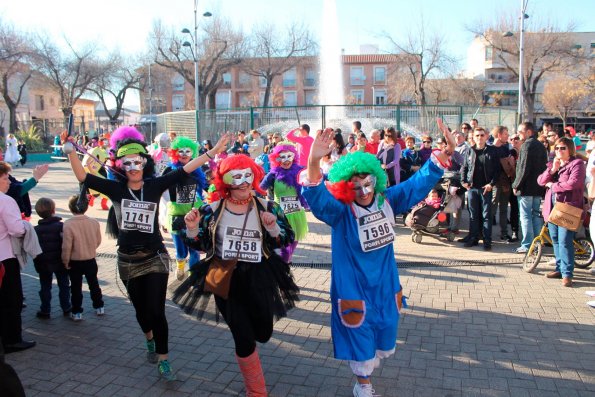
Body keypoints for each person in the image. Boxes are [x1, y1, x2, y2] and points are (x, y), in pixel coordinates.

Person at [62, 126, 231, 381]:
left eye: (137, 161)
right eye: (127, 162)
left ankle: (163, 358)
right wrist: (71, 152)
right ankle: (149, 339)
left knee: (156, 311)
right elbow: (84, 177)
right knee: (141, 312)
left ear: (145, 162)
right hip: (127, 262)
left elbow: (185, 169)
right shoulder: (116, 189)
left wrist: (213, 153)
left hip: (155, 258)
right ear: (121, 165)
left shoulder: (154, 186)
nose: (132, 166)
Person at [300, 122, 455, 397]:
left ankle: (367, 373)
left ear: (376, 179)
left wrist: (444, 154)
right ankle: (363, 384)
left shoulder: (386, 200)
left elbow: (416, 185)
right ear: (346, 187)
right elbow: (316, 196)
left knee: (385, 327)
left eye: (368, 182)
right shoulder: (340, 211)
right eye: (355, 185)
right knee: (358, 330)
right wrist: (313, 160)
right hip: (354, 285)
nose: (363, 190)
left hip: (385, 283)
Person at [173, 154, 299, 396]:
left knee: (263, 332)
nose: (243, 182)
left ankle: (255, 334)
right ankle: (257, 391)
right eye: (236, 176)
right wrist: (191, 228)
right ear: (225, 181)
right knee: (243, 338)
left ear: (254, 175)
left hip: (259, 276)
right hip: (224, 277)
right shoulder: (211, 210)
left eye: (247, 175)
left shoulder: (268, 206)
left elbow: (287, 237)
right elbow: (200, 245)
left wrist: (272, 226)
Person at [537, 137, 585, 287]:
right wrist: (552, 170)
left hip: (567, 207)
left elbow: (574, 183)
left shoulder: (577, 163)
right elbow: (540, 181)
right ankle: (559, 268)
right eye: (557, 148)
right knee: (556, 240)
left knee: (565, 241)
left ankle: (567, 273)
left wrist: (553, 185)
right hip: (551, 208)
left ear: (570, 149)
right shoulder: (554, 164)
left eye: (562, 148)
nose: (559, 151)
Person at [0, 161, 35, 353]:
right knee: (11, 300)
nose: (8, 183)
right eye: (5, 179)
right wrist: (26, 227)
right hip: (5, 258)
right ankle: (12, 339)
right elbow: (15, 229)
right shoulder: (6, 201)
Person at [162, 137, 208, 281]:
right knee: (181, 251)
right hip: (176, 215)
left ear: (192, 153)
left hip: (194, 215)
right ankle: (180, 265)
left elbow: (204, 189)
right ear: (175, 152)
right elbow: (161, 191)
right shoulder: (169, 170)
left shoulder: (197, 170)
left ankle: (193, 275)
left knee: (194, 251)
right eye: (180, 151)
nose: (184, 154)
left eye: (187, 151)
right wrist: (163, 219)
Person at [260, 141, 308, 263]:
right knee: (284, 251)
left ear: (294, 156)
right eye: (282, 157)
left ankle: (285, 272)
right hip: (280, 216)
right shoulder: (273, 174)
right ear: (277, 158)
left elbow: (315, 178)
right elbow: (260, 189)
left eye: (289, 156)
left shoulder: (300, 172)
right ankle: (282, 272)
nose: (286, 160)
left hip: (296, 215)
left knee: (291, 250)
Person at [62, 194, 104, 320]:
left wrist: (65, 260)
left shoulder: (68, 224)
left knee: (75, 287)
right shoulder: (94, 222)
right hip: (90, 259)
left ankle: (77, 311)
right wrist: (91, 248)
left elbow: (66, 246)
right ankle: (99, 306)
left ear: (70, 208)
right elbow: (98, 240)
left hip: (75, 261)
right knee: (94, 284)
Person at [460, 127, 500, 250]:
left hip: (485, 188)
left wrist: (491, 184)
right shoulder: (469, 151)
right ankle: (473, 238)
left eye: (482, 135)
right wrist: (463, 182)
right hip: (472, 188)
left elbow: (497, 171)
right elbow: (464, 168)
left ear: (486, 136)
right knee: (473, 215)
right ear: (473, 137)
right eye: (477, 135)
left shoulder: (492, 151)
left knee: (486, 215)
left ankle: (487, 241)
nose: (479, 137)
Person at [512, 122, 548, 254]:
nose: (518, 134)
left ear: (528, 132)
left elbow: (523, 168)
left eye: (520, 132)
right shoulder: (540, 146)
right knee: (535, 216)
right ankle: (537, 244)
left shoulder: (527, 145)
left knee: (525, 216)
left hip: (527, 188)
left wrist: (516, 184)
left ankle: (527, 245)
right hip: (538, 187)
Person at [32, 198, 71, 319]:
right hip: (60, 261)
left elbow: (33, 247)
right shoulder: (61, 226)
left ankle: (45, 309)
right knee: (64, 285)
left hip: (43, 262)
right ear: (53, 210)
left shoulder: (35, 230)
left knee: (45, 286)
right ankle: (66, 307)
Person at [491, 126, 513, 241]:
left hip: (505, 183)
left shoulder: (505, 149)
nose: (507, 136)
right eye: (505, 134)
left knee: (504, 209)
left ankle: (504, 233)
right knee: (492, 209)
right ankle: (487, 232)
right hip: (494, 184)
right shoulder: (490, 149)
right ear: (499, 135)